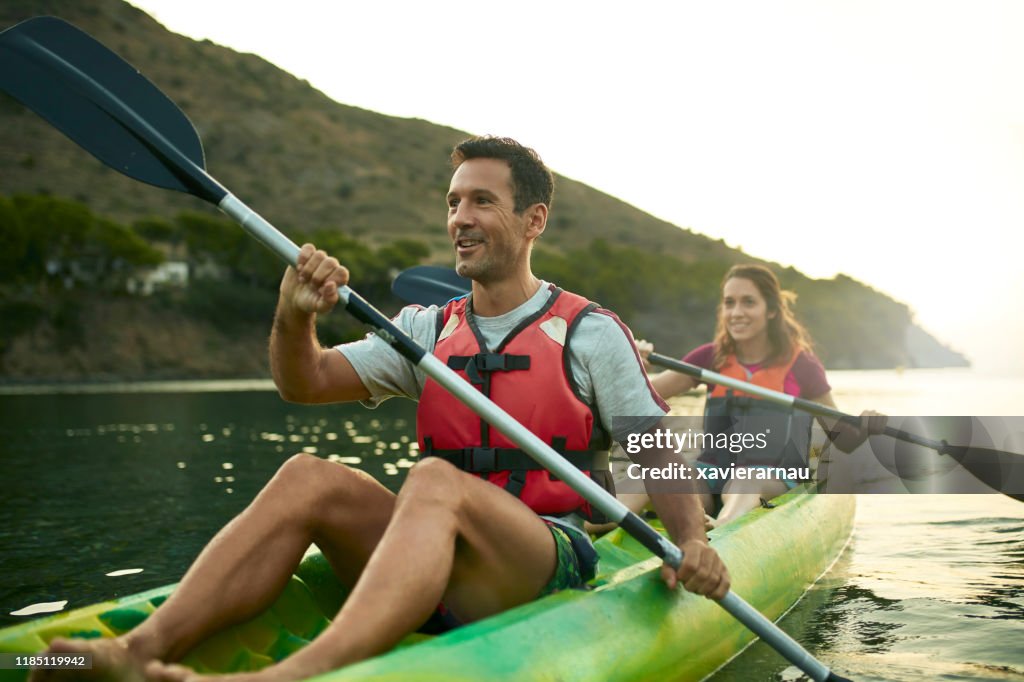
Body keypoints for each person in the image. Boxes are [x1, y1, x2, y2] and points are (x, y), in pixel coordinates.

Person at [33, 137, 728, 682]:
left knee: (429, 481)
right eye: (453, 202)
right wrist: (293, 316)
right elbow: (304, 383)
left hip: (540, 555)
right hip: (435, 553)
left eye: (482, 201)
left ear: (533, 219)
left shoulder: (588, 330)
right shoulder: (425, 330)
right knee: (309, 474)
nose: (460, 218)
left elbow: (654, 448)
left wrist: (692, 540)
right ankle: (138, 649)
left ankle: (299, 673)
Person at [636, 264, 886, 529]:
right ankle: (601, 523)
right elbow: (641, 396)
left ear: (772, 310)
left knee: (746, 478)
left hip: (772, 478)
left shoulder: (802, 365)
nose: (736, 313)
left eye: (748, 303)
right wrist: (636, 366)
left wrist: (864, 428)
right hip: (711, 475)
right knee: (665, 474)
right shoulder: (710, 358)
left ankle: (722, 529)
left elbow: (841, 437)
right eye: (729, 303)